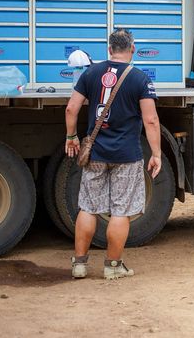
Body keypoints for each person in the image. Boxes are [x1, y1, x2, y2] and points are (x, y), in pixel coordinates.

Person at [65, 28, 161, 280]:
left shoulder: (90, 73)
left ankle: (80, 264)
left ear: (109, 49)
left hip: (95, 153)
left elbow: (71, 108)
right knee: (121, 211)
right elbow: (150, 120)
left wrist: (71, 137)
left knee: (88, 207)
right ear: (133, 49)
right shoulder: (140, 79)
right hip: (126, 156)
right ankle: (113, 266)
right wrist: (157, 154)